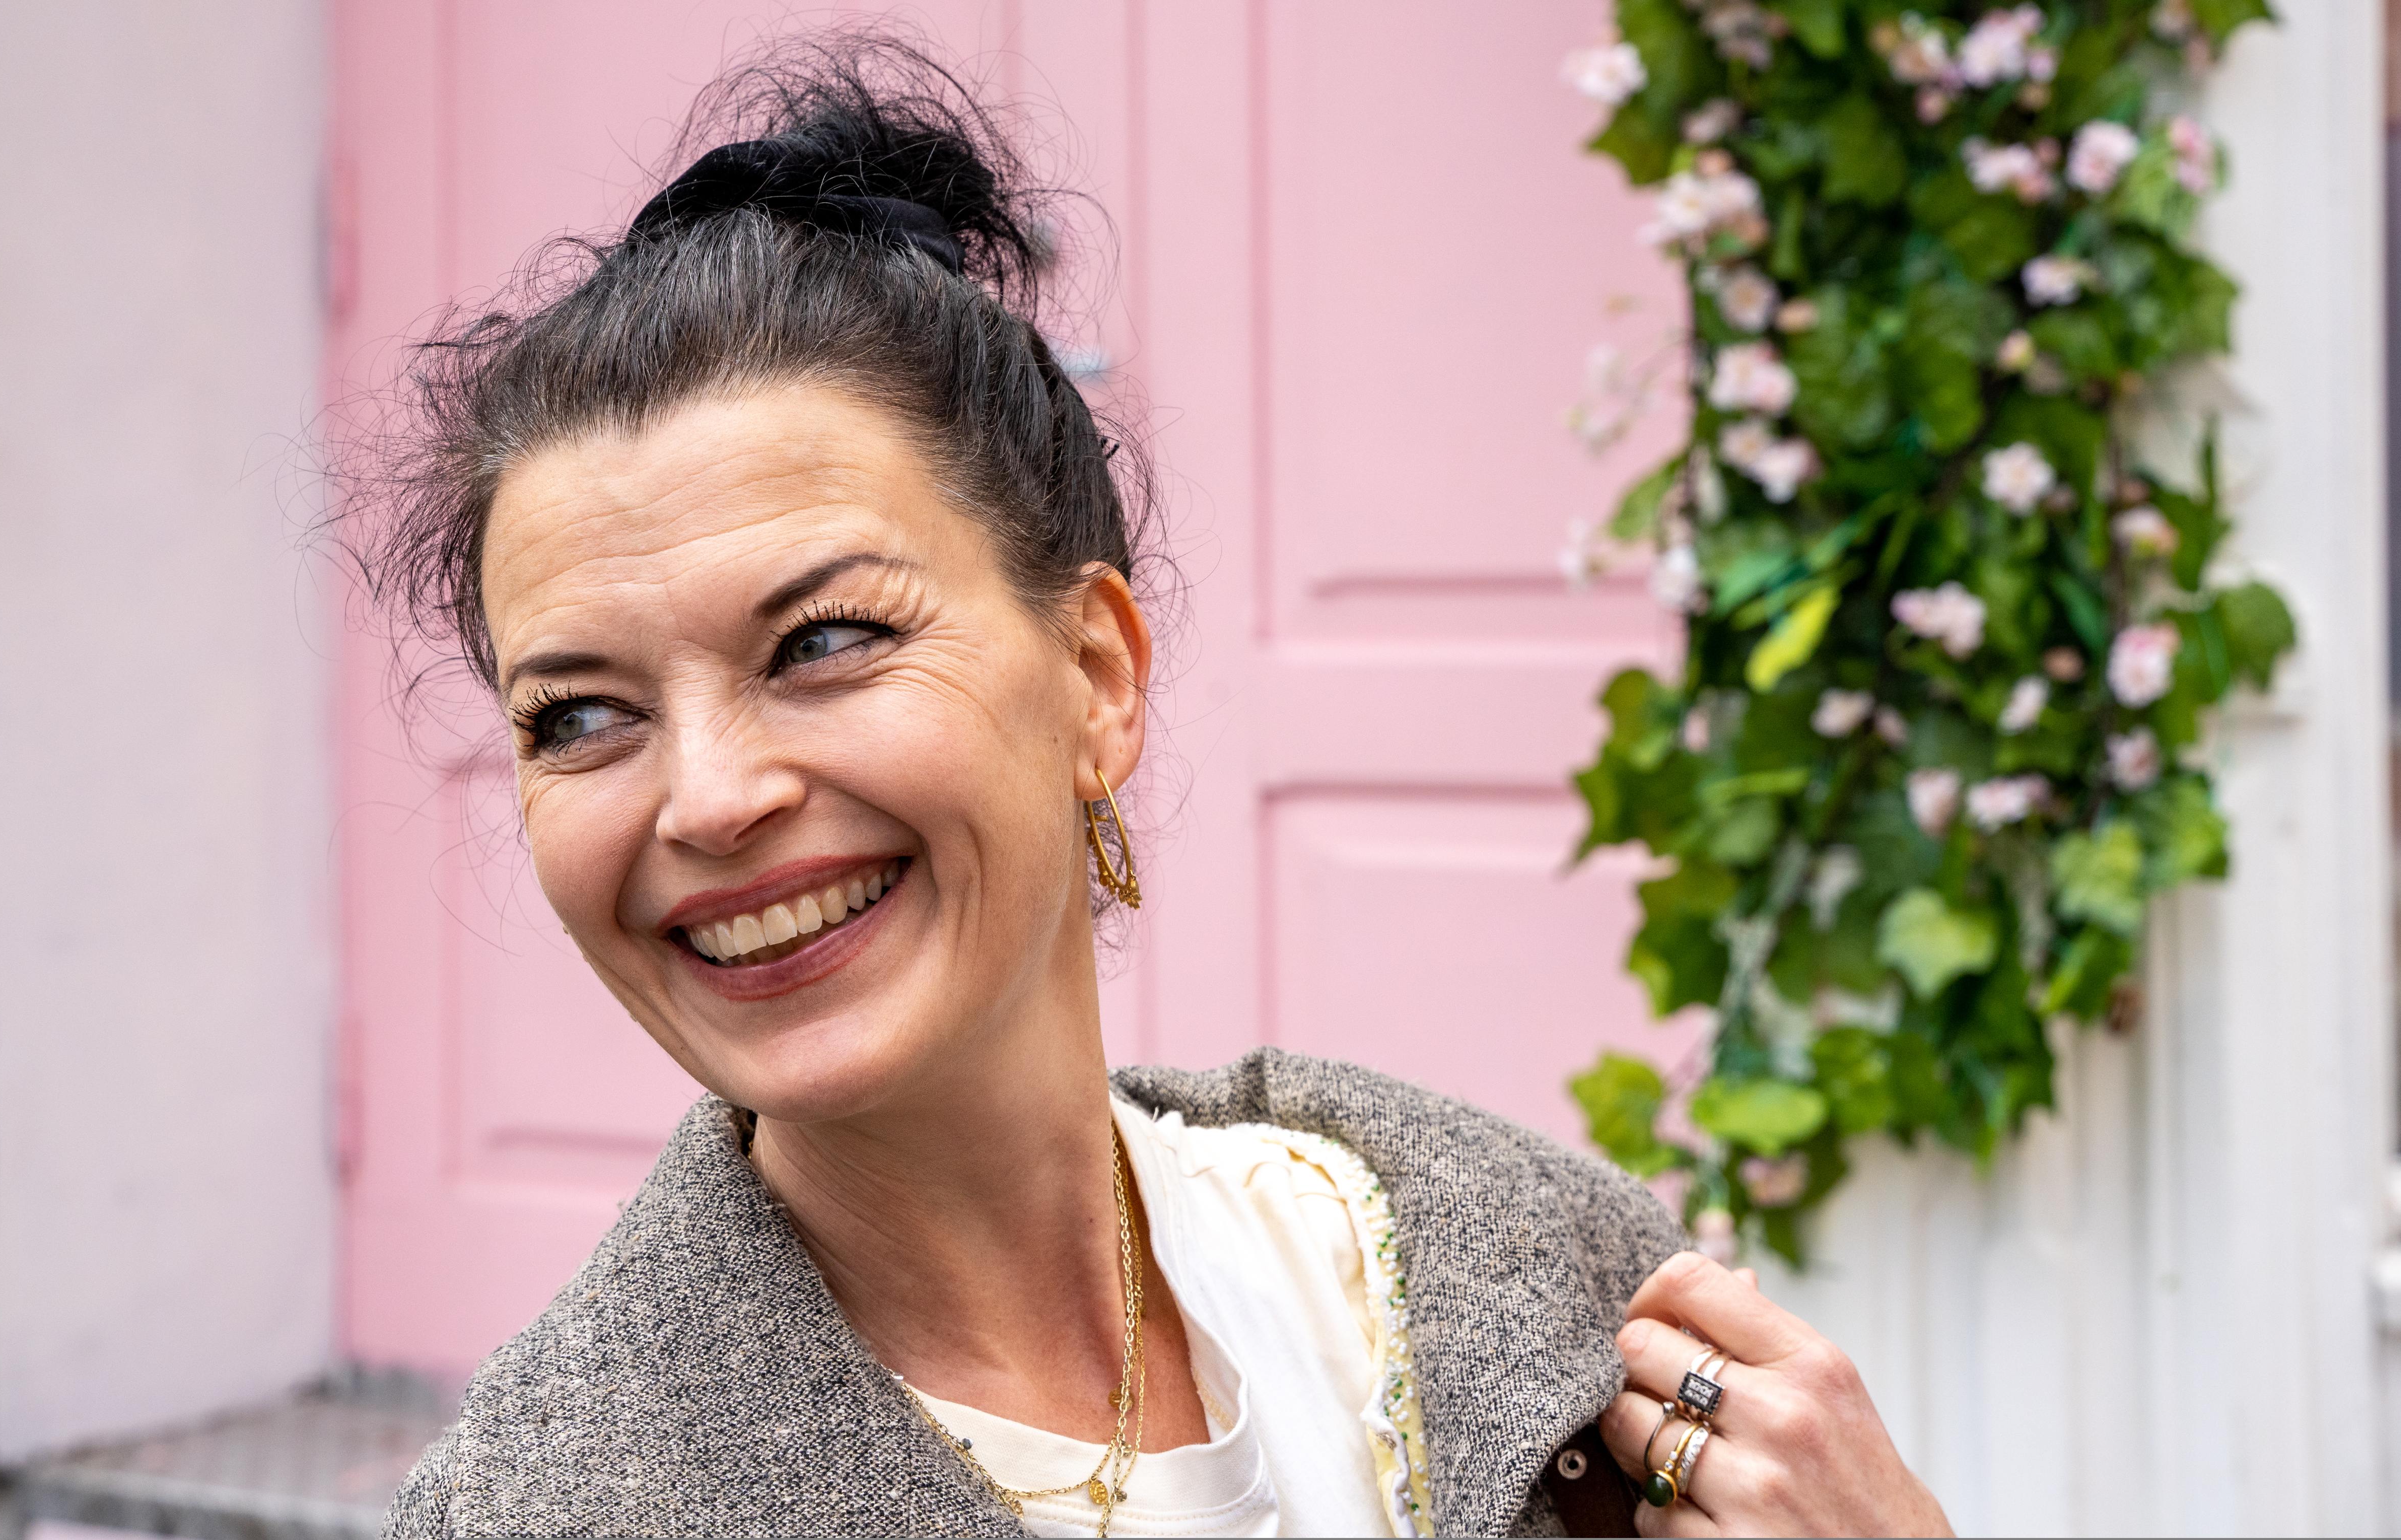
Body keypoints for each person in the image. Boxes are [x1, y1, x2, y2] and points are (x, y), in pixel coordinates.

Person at [368, 32, 1950, 1540]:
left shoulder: (1533, 1281)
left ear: (1097, 675)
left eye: (825, 640)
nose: (710, 799)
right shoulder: (544, 1502)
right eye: (581, 716)